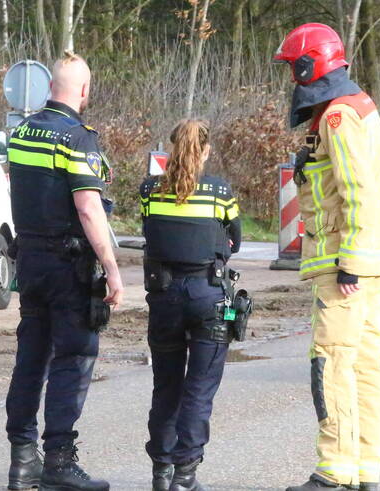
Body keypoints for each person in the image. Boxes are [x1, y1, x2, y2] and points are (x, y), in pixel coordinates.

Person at [274, 23, 380, 491]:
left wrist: (349, 263)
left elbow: (357, 189)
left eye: (293, 67)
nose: (291, 77)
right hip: (369, 259)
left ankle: (335, 469)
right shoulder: (358, 106)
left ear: (309, 66)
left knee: (332, 364)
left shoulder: (338, 116)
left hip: (345, 263)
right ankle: (364, 468)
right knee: (363, 366)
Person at [4, 53, 124, 491]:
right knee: (73, 356)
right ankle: (58, 460)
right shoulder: (77, 139)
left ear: (49, 86)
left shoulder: (21, 133)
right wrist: (111, 266)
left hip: (30, 261)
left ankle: (22, 459)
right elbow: (88, 208)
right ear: (84, 91)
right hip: (67, 265)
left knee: (31, 356)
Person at [139, 119, 242, 491]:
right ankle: (185, 476)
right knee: (198, 389)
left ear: (171, 149)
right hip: (208, 296)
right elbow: (235, 240)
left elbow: (149, 230)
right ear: (206, 151)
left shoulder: (149, 189)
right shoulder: (219, 192)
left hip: (164, 297)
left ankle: (161, 472)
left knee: (165, 386)